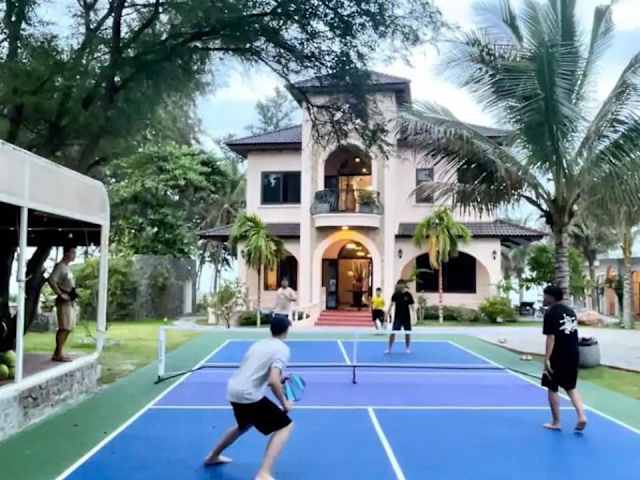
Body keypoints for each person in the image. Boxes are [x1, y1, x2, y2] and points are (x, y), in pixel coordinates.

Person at [204, 315, 294, 480]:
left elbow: (260, 373)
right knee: (285, 426)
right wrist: (285, 403)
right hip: (249, 395)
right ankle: (264, 473)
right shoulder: (282, 349)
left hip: (234, 390)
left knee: (243, 425)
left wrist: (279, 379)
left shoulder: (259, 344)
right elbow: (273, 380)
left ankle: (212, 457)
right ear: (286, 331)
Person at [541, 285, 587, 432]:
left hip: (558, 355)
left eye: (545, 295)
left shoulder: (550, 313)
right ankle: (582, 416)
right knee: (571, 387)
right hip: (573, 353)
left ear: (551, 297)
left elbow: (551, 338)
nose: (543, 298)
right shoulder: (570, 311)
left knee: (552, 387)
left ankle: (556, 422)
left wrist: (547, 358)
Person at [48, 246, 77, 362]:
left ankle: (58, 353)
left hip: (70, 300)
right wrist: (60, 294)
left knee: (68, 327)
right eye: (72, 252)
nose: (74, 255)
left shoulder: (67, 267)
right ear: (66, 253)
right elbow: (51, 280)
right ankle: (58, 354)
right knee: (64, 327)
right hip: (63, 301)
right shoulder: (60, 266)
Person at [386, 280, 415, 354]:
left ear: (403, 285)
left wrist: (414, 317)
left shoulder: (408, 294)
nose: (398, 286)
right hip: (397, 318)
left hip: (406, 317)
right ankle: (389, 349)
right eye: (398, 284)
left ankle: (407, 348)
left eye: (400, 284)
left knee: (407, 333)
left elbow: (412, 306)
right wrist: (387, 314)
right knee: (393, 332)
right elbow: (391, 305)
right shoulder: (396, 294)